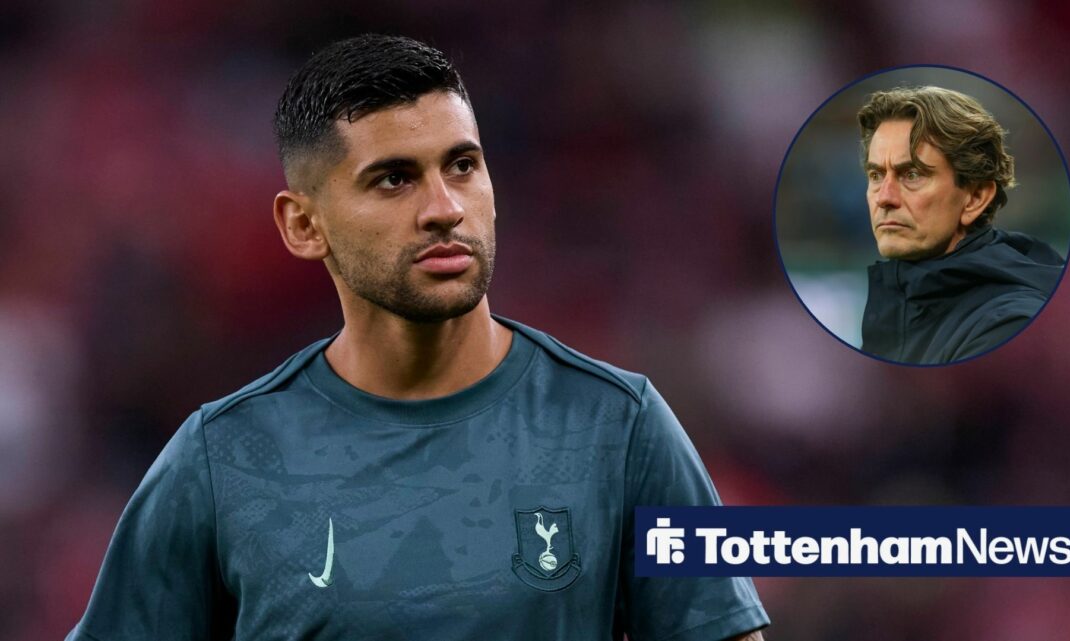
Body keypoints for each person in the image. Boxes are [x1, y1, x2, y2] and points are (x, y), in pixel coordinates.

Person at [67, 34, 769, 640]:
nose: (444, 208)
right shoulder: (222, 459)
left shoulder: (618, 428)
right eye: (394, 179)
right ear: (303, 225)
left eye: (462, 166)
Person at [857, 86, 1065, 365]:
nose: (884, 198)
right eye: (876, 175)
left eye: (913, 174)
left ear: (975, 198)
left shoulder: (1008, 325)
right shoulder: (902, 305)